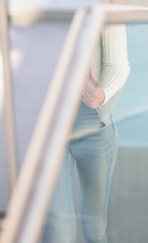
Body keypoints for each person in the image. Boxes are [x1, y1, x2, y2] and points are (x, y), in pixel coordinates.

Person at [41, 24, 130, 243]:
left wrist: (101, 95)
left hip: (94, 128)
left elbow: (118, 64)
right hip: (50, 132)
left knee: (95, 230)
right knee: (59, 234)